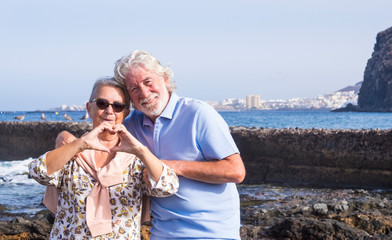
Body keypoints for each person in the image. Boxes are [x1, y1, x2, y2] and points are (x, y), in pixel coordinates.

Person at [114, 50, 246, 239]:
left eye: (148, 82)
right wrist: (64, 136)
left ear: (165, 78)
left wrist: (171, 166)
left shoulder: (198, 113)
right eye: (134, 89)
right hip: (162, 233)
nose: (144, 93)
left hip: (212, 233)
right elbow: (96, 140)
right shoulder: (131, 125)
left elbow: (236, 171)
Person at [28, 77, 179, 239]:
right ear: (89, 108)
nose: (109, 110)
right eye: (102, 103)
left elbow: (168, 186)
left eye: (118, 106)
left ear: (125, 113)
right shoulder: (72, 152)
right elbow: (38, 172)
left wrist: (141, 150)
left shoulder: (136, 158)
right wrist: (80, 144)